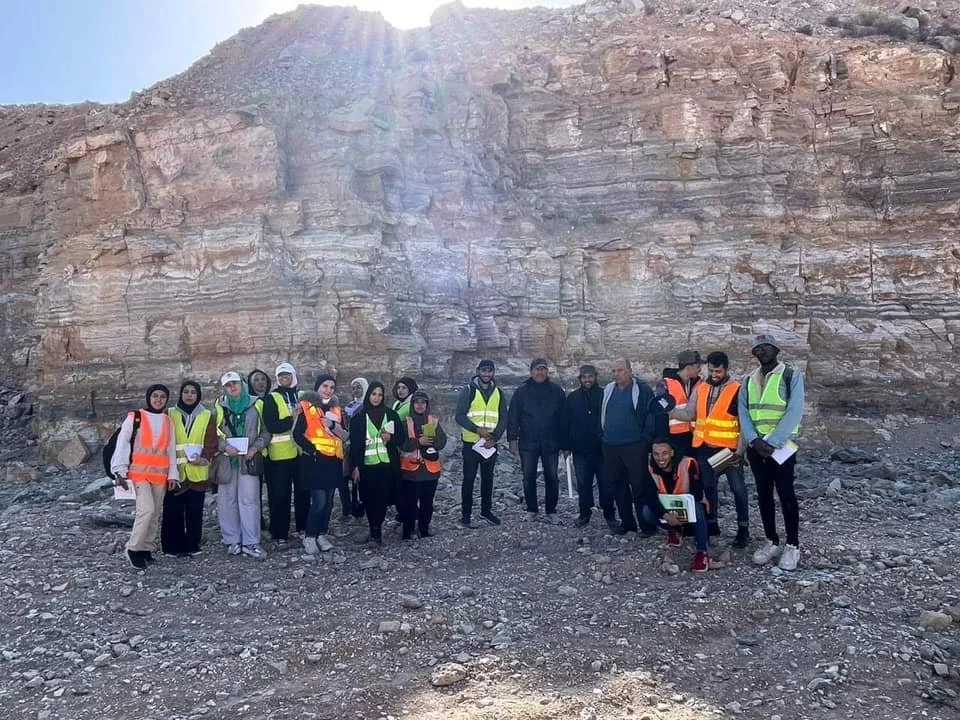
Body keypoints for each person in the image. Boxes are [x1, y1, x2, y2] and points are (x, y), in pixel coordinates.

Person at [668, 351, 750, 547]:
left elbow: (744, 423)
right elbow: (689, 413)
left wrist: (740, 452)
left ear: (726, 369)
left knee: (738, 489)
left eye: (718, 371)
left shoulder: (738, 389)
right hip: (705, 448)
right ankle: (712, 525)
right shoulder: (702, 388)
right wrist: (668, 409)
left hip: (728, 452)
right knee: (709, 488)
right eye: (711, 370)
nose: (714, 374)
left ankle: (743, 529)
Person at [739, 333, 804, 571]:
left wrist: (773, 441)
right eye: (758, 348)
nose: (762, 351)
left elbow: (795, 411)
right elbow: (743, 411)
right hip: (757, 448)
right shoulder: (748, 380)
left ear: (776, 350)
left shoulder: (791, 375)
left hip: (782, 447)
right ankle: (771, 540)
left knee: (786, 495)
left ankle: (793, 545)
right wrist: (754, 440)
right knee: (764, 495)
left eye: (766, 347)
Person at [601, 359, 675, 536]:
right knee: (618, 487)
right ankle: (627, 524)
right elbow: (602, 413)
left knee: (639, 486)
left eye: (620, 370)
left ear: (630, 370)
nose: (616, 374)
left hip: (634, 446)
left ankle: (647, 526)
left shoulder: (641, 389)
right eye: (614, 371)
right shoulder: (608, 389)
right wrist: (602, 436)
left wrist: (645, 440)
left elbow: (650, 415)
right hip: (611, 446)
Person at [110, 384, 179, 570]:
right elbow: (122, 443)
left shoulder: (168, 421)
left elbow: (171, 449)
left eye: (162, 396)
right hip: (139, 474)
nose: (158, 399)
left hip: (160, 475)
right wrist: (120, 470)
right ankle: (133, 548)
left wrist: (173, 474)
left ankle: (146, 548)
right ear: (149, 397)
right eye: (155, 395)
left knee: (155, 513)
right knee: (146, 510)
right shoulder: (135, 417)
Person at [214, 372, 270, 558]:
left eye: (235, 383)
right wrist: (224, 446)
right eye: (228, 385)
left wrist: (255, 448)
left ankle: (251, 542)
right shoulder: (219, 406)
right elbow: (212, 434)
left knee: (250, 500)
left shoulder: (257, 404)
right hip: (227, 461)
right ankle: (232, 540)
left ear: (242, 384)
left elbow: (266, 432)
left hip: (248, 460)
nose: (232, 387)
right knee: (227, 501)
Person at [161, 381, 218, 557]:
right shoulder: (169, 413)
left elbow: (211, 441)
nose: (189, 395)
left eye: (193, 392)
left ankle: (193, 545)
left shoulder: (207, 415)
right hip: (174, 472)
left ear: (198, 395)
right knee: (173, 510)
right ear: (181, 394)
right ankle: (172, 547)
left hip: (197, 470)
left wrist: (205, 457)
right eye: (186, 392)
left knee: (195, 511)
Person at [294, 375, 348, 554]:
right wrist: (312, 451)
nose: (328, 390)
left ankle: (322, 534)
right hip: (314, 462)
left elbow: (345, 435)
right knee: (319, 501)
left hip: (333, 462)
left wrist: (332, 425)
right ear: (317, 387)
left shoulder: (336, 410)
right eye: (325, 386)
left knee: (329, 502)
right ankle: (310, 536)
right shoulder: (306, 407)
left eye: (332, 387)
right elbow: (297, 434)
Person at [508, 358, 566, 524]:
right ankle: (532, 510)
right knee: (528, 476)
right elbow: (513, 417)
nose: (540, 372)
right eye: (537, 369)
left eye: (543, 369)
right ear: (531, 371)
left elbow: (564, 419)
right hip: (528, 442)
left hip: (551, 442)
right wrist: (512, 439)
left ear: (547, 371)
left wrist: (565, 444)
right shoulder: (521, 392)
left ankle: (551, 511)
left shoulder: (557, 391)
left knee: (552, 477)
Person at [349, 382, 405, 545]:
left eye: (380, 395)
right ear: (369, 395)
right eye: (374, 394)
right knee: (368, 498)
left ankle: (376, 532)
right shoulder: (359, 418)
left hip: (386, 465)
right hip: (367, 466)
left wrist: (390, 438)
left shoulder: (391, 415)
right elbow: (355, 445)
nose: (376, 398)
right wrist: (355, 467)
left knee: (381, 499)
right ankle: (372, 528)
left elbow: (401, 438)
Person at [561, 365, 616, 531]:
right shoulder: (572, 398)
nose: (587, 380)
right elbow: (565, 422)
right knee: (583, 484)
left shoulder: (604, 395)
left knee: (606, 485)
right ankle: (584, 514)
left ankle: (610, 516)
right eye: (584, 377)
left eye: (590, 376)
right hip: (580, 450)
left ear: (595, 377)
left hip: (602, 450)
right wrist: (565, 446)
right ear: (580, 379)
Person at [455, 359, 506, 528]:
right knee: (469, 479)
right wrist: (477, 430)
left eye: (489, 371)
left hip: (490, 444)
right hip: (472, 443)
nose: (486, 374)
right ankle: (466, 515)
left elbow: (503, 418)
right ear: (478, 371)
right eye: (484, 370)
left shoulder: (498, 392)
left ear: (493, 373)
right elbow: (459, 416)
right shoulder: (469, 390)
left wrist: (494, 438)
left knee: (488, 479)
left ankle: (486, 511)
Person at [261, 362, 308, 547]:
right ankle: (280, 533)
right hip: (279, 456)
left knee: (303, 493)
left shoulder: (302, 395)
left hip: (300, 453)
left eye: (287, 374)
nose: (284, 378)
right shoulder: (271, 398)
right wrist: (292, 419)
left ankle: (303, 528)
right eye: (280, 375)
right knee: (280, 496)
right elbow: (272, 425)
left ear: (293, 375)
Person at [648, 438, 710, 573]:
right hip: (667, 510)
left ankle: (702, 551)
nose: (660, 458)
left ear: (672, 453)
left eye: (664, 453)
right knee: (646, 511)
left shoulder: (687, 463)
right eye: (656, 454)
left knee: (698, 508)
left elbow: (697, 493)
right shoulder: (650, 468)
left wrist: (680, 512)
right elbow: (648, 495)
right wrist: (666, 515)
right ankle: (674, 530)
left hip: (688, 506)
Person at [399, 390, 447, 539]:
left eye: (423, 402)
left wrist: (431, 441)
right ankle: (407, 532)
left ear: (427, 405)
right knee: (409, 504)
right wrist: (418, 442)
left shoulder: (432, 422)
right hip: (410, 471)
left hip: (430, 471)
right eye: (416, 402)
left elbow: (442, 441)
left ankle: (424, 530)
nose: (420, 405)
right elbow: (401, 444)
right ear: (412, 404)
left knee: (427, 504)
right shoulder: (406, 423)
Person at [660, 350, 702, 459]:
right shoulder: (664, 384)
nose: (700, 369)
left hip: (694, 437)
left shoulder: (699, 384)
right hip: (674, 439)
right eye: (697, 366)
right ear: (688, 368)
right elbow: (661, 411)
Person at [247, 368, 272, 523]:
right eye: (256, 380)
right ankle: (258, 520)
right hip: (255, 451)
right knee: (255, 490)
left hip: (273, 451)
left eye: (263, 379)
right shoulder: (248, 402)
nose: (260, 382)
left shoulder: (272, 399)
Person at [343, 377, 369, 520]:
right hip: (350, 446)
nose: (356, 390)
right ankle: (353, 508)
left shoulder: (368, 407)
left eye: (358, 387)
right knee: (352, 476)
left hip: (364, 446)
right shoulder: (349, 406)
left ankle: (364, 506)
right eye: (353, 388)